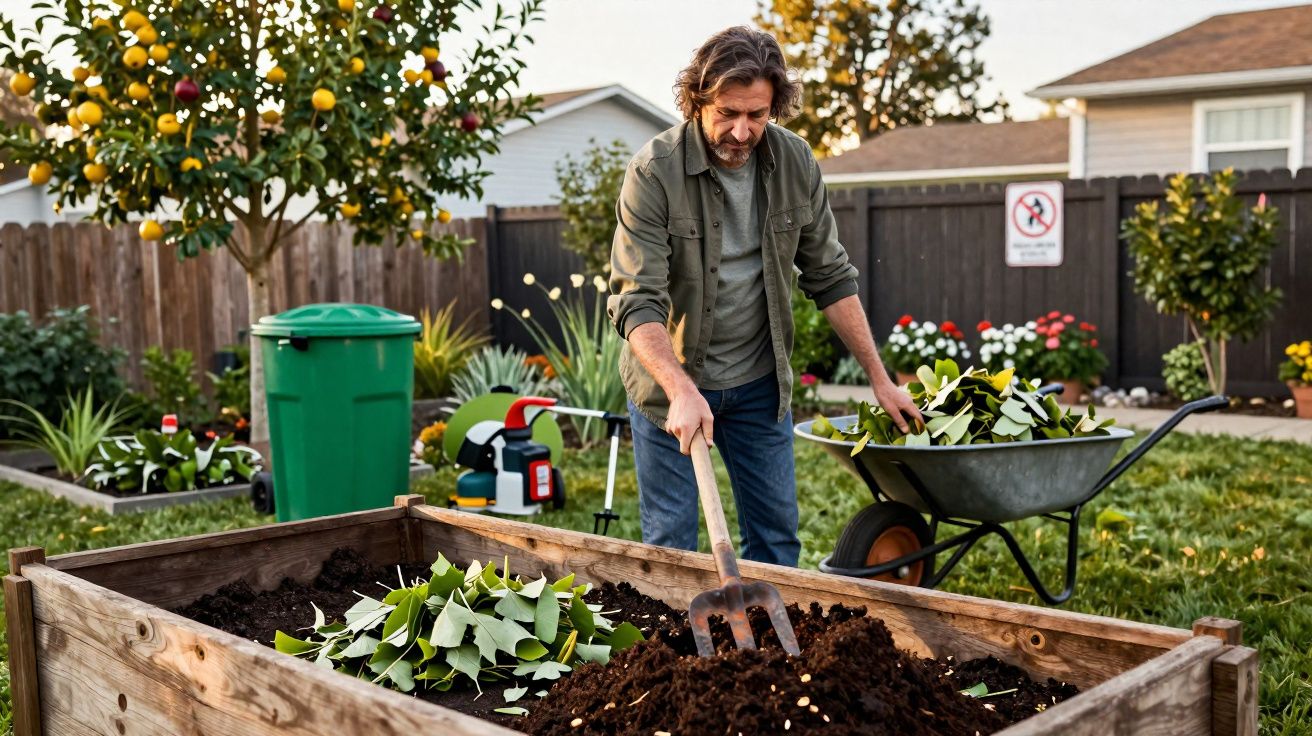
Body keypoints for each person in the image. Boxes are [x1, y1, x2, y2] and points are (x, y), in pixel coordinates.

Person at [607, 26, 920, 567]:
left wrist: (879, 378)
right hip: (671, 390)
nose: (742, 131)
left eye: (757, 115)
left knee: (776, 544)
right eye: (727, 113)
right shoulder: (654, 172)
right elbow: (637, 300)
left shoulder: (795, 163)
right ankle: (674, 653)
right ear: (696, 100)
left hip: (757, 383)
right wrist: (681, 389)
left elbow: (831, 275)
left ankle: (769, 650)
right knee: (671, 550)